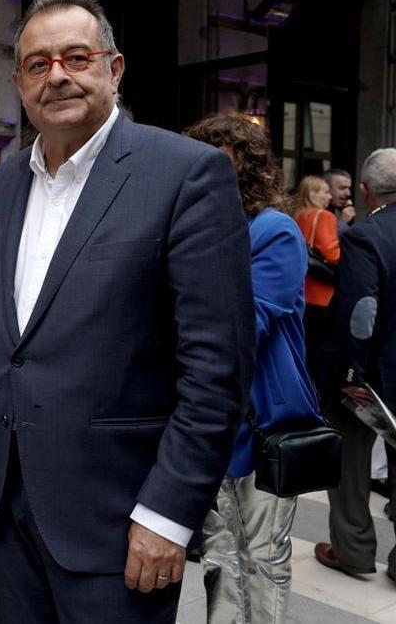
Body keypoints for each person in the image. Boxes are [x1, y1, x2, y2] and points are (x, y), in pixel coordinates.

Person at [0, 0, 254, 622]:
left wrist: (167, 514)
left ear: (115, 68)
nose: (58, 76)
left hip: (121, 522)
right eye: (38, 64)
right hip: (9, 511)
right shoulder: (2, 187)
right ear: (19, 81)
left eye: (77, 57)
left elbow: (217, 371)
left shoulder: (187, 174)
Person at [185, 114, 324, 624]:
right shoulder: (200, 227)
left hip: (263, 419)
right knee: (221, 548)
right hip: (210, 418)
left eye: (223, 153)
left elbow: (247, 323)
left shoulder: (274, 229)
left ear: (249, 164)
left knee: (263, 555)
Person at [314, 148, 396, 580]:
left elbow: (360, 312)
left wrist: (350, 375)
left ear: (365, 192)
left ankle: (354, 550)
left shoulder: (366, 235)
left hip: (374, 376)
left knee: (349, 461)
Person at [293, 175, 340, 384]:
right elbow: (332, 254)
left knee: (302, 348)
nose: (329, 196)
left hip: (301, 290)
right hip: (321, 294)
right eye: (325, 191)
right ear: (313, 193)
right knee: (318, 352)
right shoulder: (325, 216)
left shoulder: (297, 215)